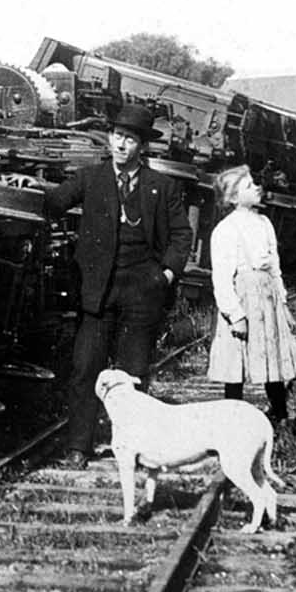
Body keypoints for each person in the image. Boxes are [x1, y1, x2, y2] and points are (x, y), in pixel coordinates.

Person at [45, 102, 193, 468]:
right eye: (116, 136)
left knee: (135, 373)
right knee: (85, 368)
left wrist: (167, 275)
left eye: (129, 139)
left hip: (143, 293)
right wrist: (27, 186)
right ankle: (79, 446)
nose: (121, 145)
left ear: (142, 145)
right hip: (98, 292)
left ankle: (136, 448)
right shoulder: (91, 178)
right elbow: (55, 202)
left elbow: (181, 236)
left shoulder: (163, 186)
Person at [207, 165, 296, 422]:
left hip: (267, 301)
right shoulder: (225, 230)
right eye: (249, 186)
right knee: (235, 361)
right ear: (233, 198)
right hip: (243, 300)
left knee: (273, 356)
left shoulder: (264, 223)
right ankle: (233, 419)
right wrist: (235, 314)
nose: (257, 187)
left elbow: (274, 266)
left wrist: (282, 301)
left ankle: (280, 414)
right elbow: (222, 279)